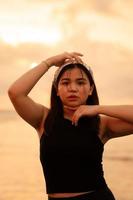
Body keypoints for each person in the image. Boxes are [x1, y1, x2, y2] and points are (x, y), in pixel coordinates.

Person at [8, 52, 133, 200]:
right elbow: (15, 93)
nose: (72, 88)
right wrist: (49, 62)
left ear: (91, 89)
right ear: (57, 89)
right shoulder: (43, 118)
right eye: (65, 82)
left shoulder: (102, 124)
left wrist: (99, 108)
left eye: (80, 82)